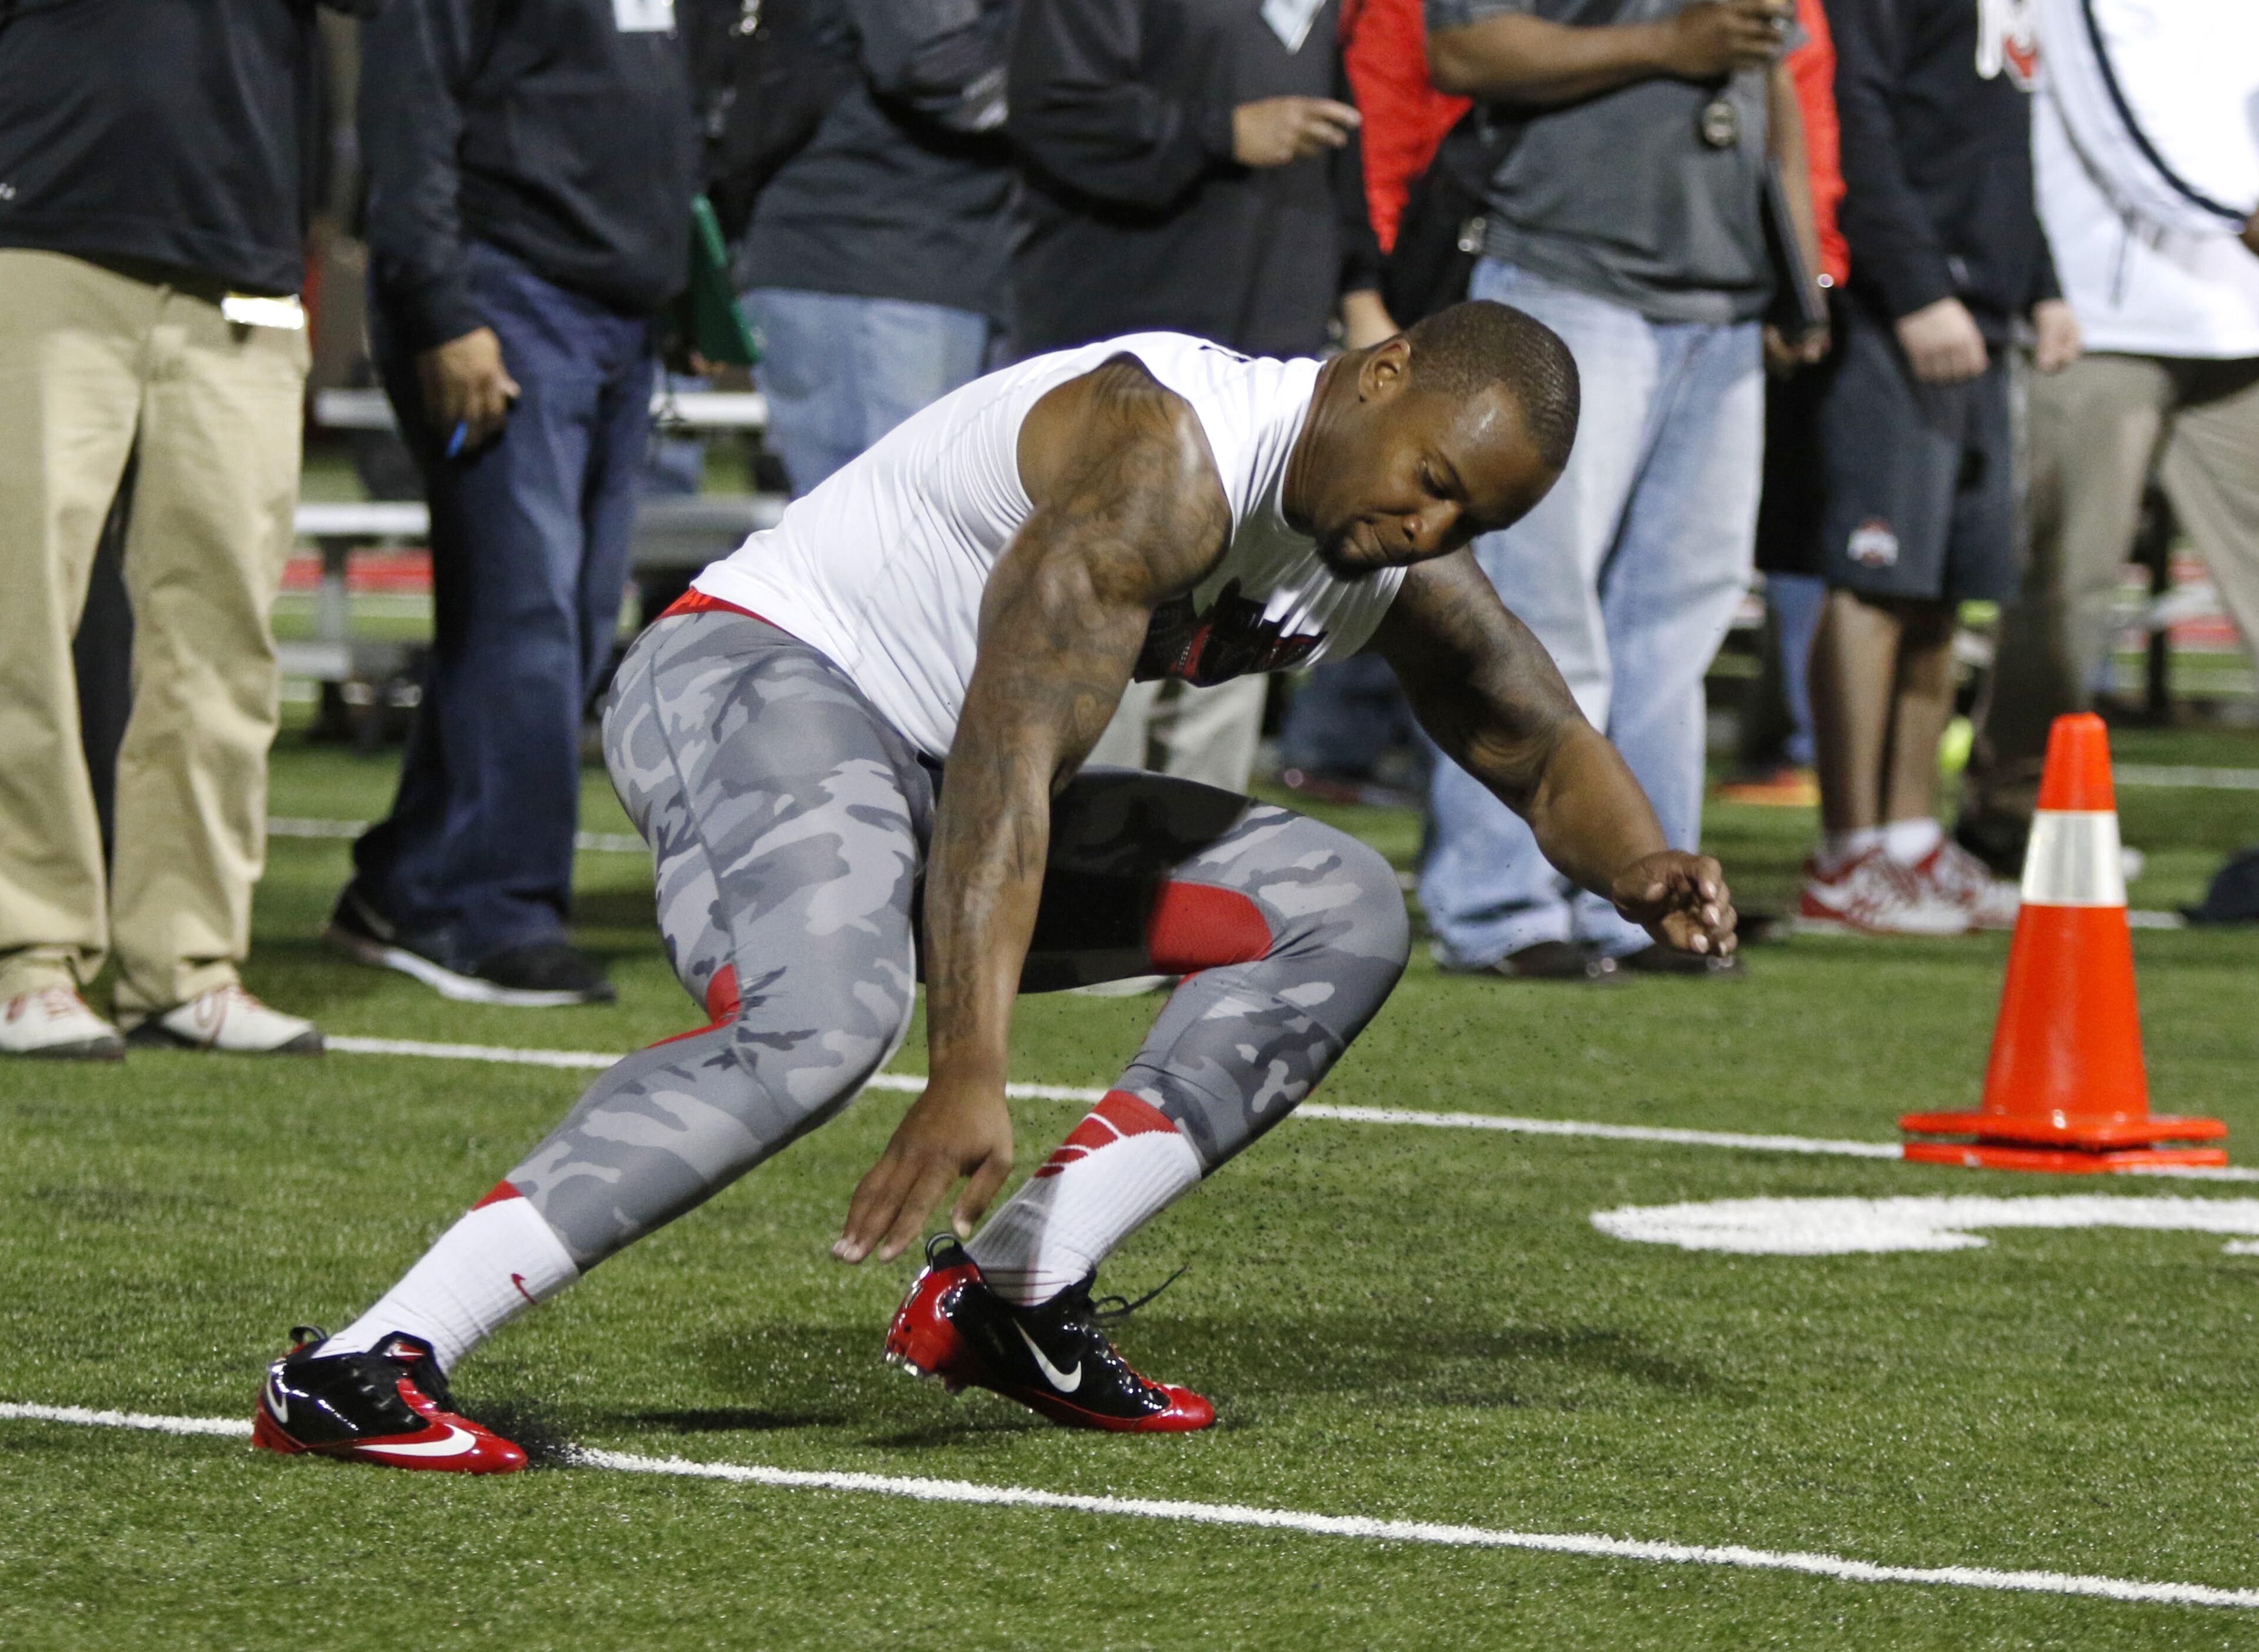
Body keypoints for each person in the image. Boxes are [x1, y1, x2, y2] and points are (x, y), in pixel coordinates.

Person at [249, 302, 1738, 1469]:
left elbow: (1532, 738)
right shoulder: (1165, 451)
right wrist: (969, 1065)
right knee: (824, 1022)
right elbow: (1007, 765)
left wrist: (1641, 863)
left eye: (1468, 521)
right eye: (1431, 485)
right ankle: (364, 1363)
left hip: (937, 780)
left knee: (1335, 903)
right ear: (1377, 372)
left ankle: (1012, 1295)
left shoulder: (1370, 541)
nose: (1432, 532)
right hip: (758, 679)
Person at [1417, 0, 1823, 982]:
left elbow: (1775, 79)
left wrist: (1795, 268)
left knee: (1680, 623)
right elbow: (1461, 48)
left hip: (1720, 295)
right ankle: (1500, 904)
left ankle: (1654, 896)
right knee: (1534, 606)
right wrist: (1667, 44)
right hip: (1569, 271)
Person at [0, 0, 356, 1059]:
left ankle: (187, 960)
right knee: (20, 613)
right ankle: (27, 951)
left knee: (225, 630)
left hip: (243, 258)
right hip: (39, 228)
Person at [327, 0, 700, 1007]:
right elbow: (411, 112)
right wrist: (443, 309)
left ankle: (404, 884)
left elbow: (658, 116)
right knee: (524, 617)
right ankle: (498, 911)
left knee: (560, 621)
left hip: (618, 313)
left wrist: (686, 279)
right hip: (506, 293)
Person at [1009, 0, 1398, 795]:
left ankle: (1194, 874)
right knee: (1103, 610)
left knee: (1235, 618)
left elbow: (1335, 139)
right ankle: (1079, 862)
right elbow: (1054, 107)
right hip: (1126, 340)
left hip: (1270, 347)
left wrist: (1359, 288)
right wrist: (1219, 134)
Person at [1796, 0, 2079, 936]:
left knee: (1944, 584)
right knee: (1875, 578)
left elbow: (2001, 146)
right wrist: (1916, 285)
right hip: (1898, 310)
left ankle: (1910, 836)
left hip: (1983, 303)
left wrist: (2040, 283)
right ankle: (1846, 853)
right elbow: (1854, 119)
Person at [1957, 0, 2259, 875]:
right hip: (2106, 316)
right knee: (2067, 583)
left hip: (2238, 314)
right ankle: (2014, 806)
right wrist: (2241, 215)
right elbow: (2119, 117)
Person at [737, 0, 1016, 496]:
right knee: (888, 540)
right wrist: (1073, 99)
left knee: (910, 541)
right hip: (868, 265)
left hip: (913, 263)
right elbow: (938, 63)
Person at [1715, 0, 1845, 811]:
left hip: (1739, 292)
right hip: (1589, 269)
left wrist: (1809, 273)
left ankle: (1790, 736)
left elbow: (1798, 106)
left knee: (1699, 586)